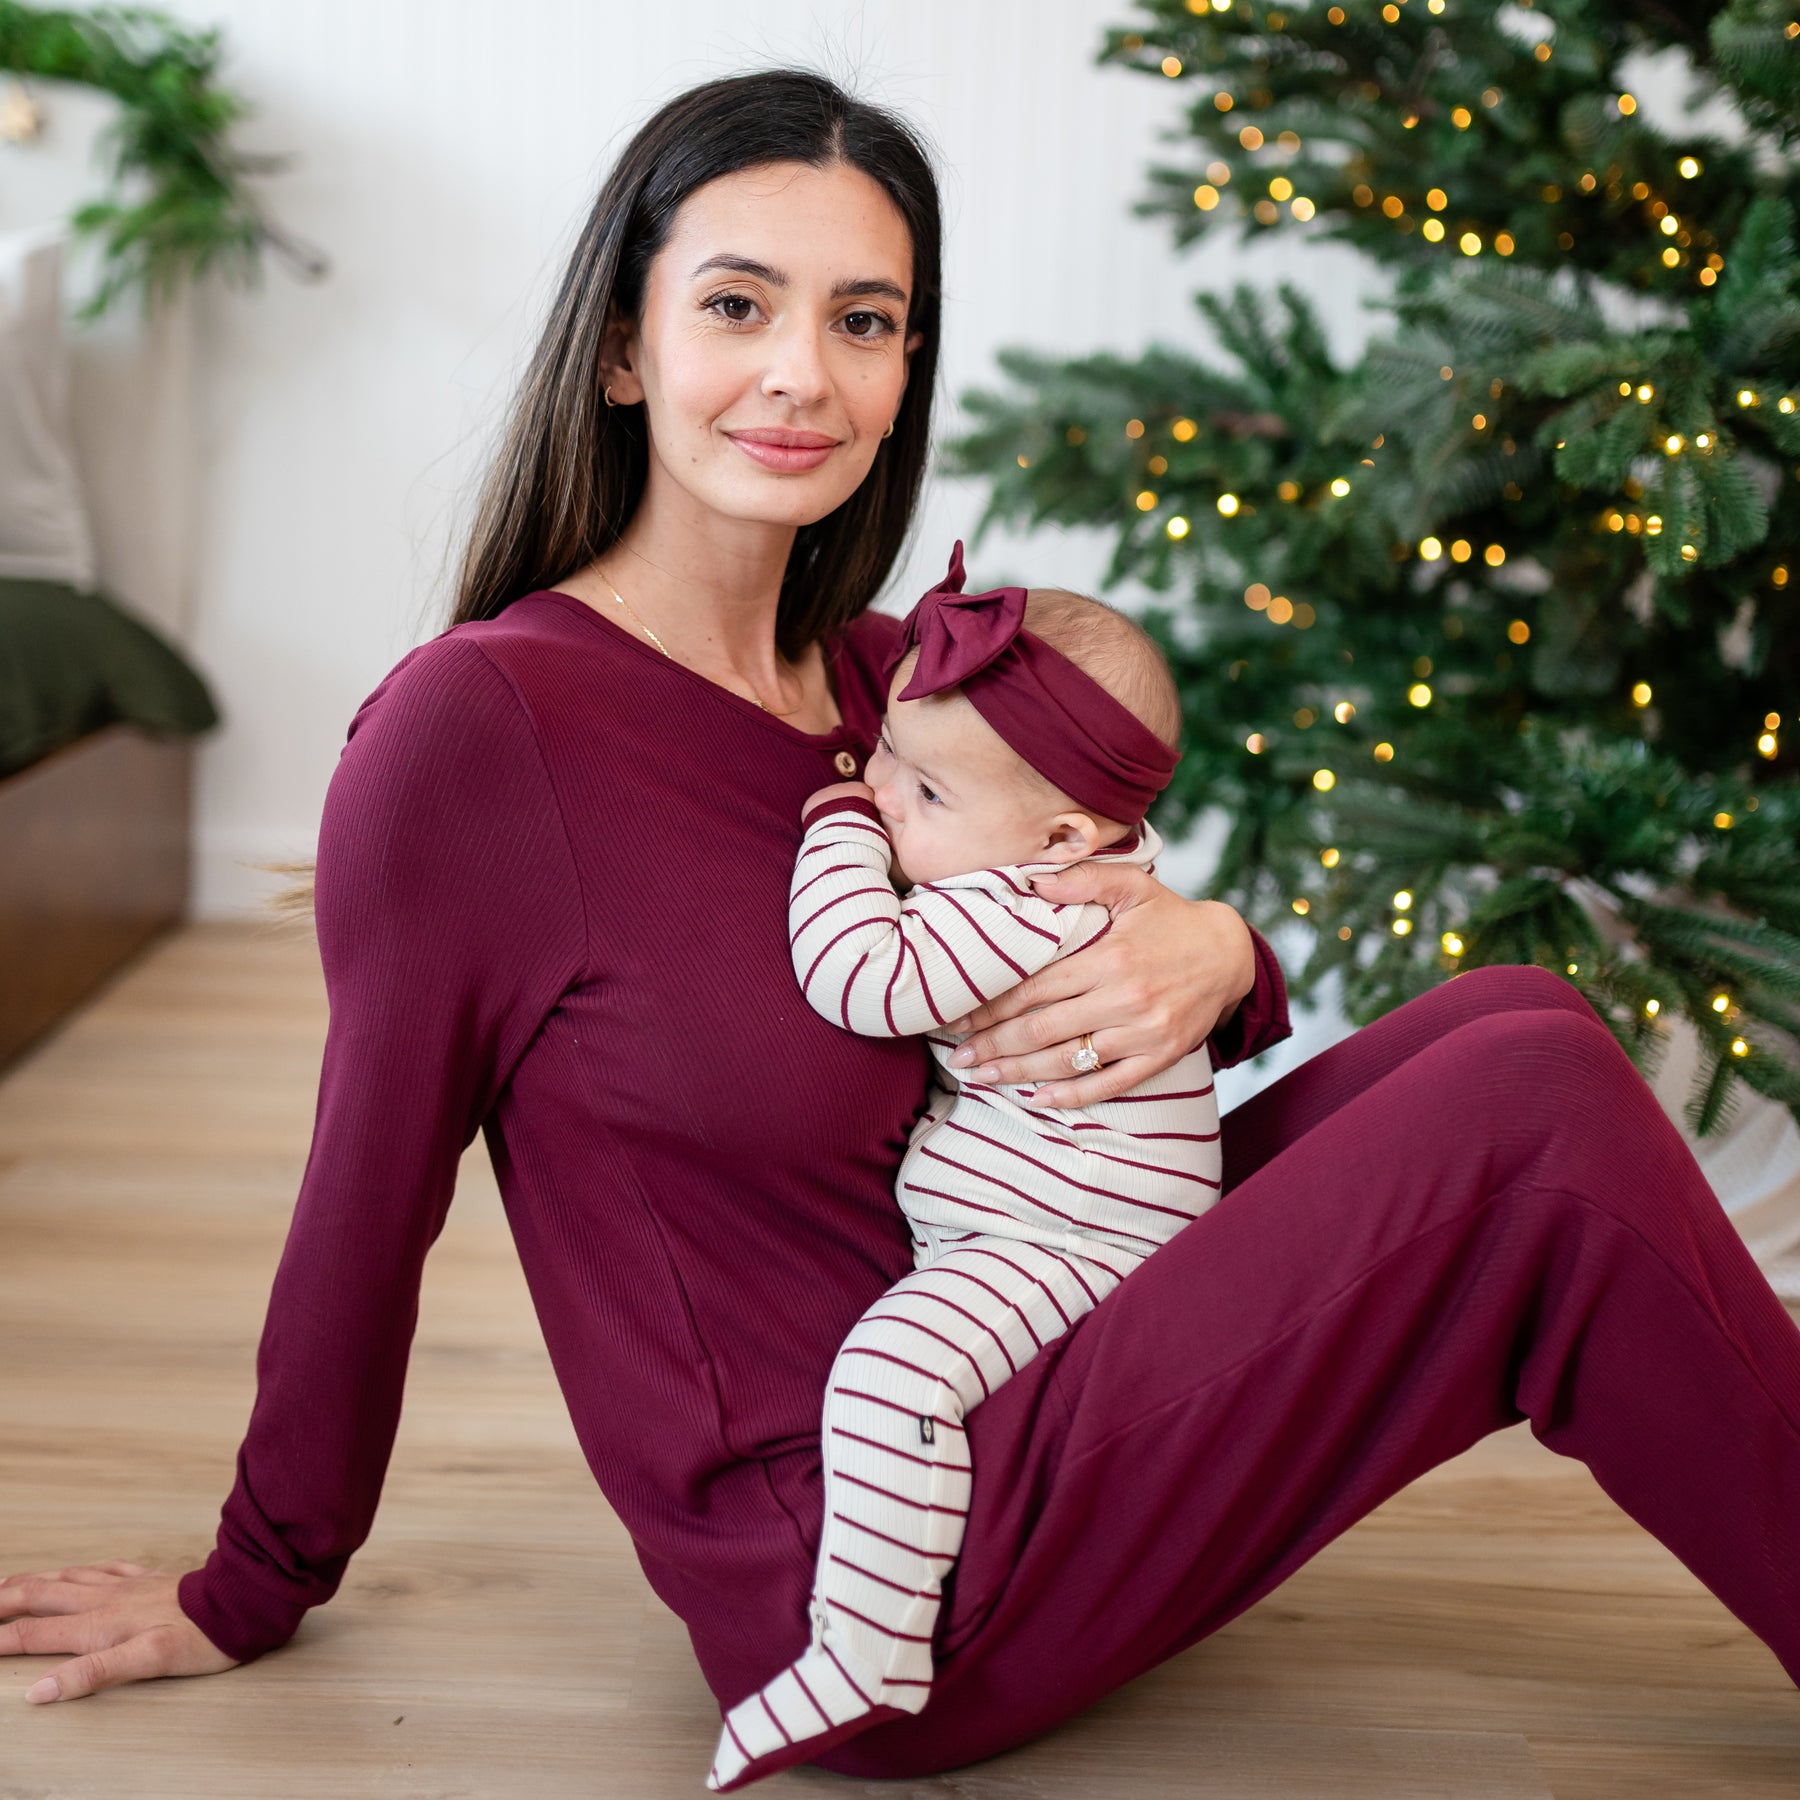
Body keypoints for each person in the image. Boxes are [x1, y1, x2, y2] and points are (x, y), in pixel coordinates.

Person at [4, 69, 1798, 1792]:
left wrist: (1223, 950)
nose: (804, 372)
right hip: (877, 1562)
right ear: (624, 347)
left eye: (865, 320)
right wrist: (255, 1579)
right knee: (1535, 1121)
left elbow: (1075, 943)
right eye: (738, 304)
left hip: (1045, 1343)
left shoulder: (899, 687)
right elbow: (367, 1189)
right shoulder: (480, 732)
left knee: (1517, 1018)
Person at [712, 553, 1219, 1789]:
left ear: (1061, 837)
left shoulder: (1028, 902)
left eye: (924, 791)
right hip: (1057, 1222)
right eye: (884, 752)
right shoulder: (1065, 864)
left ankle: (868, 1652)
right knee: (916, 1374)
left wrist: (833, 831)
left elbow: (860, 976)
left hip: (1073, 1239)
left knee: (894, 1375)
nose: (877, 787)